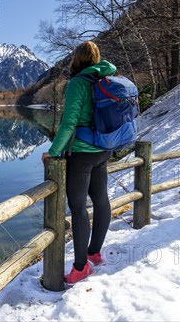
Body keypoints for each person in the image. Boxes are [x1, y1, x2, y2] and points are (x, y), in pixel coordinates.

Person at [41, 41, 117, 285]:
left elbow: (70, 122)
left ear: (76, 59)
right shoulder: (104, 80)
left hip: (83, 152)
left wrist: (53, 151)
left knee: (78, 207)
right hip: (104, 149)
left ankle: (81, 267)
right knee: (101, 199)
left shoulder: (78, 83)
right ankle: (94, 253)